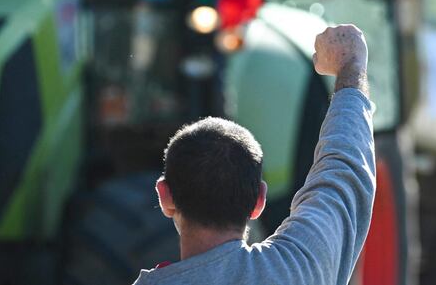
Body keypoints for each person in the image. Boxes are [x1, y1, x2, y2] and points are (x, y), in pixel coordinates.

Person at [132, 24, 375, 285]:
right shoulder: (298, 269)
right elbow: (343, 174)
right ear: (259, 200)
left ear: (164, 196)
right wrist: (351, 67)